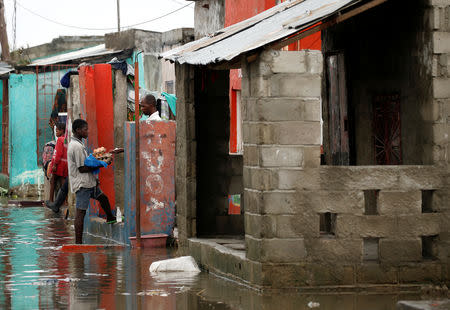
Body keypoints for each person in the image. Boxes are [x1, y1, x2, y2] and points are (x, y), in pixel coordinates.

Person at [67, 119, 116, 244]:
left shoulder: (79, 144)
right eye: (85, 129)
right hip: (82, 184)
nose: (87, 131)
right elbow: (82, 168)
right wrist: (101, 164)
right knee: (80, 213)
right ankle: (78, 243)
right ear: (78, 130)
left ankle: (110, 218)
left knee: (103, 198)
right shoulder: (76, 147)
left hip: (89, 182)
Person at [48, 123, 67, 202]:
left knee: (53, 182)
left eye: (57, 131)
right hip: (65, 164)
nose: (56, 133)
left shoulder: (60, 140)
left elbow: (58, 153)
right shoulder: (66, 139)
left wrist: (55, 164)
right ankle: (65, 201)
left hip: (59, 164)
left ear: (62, 131)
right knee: (63, 182)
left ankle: (50, 200)